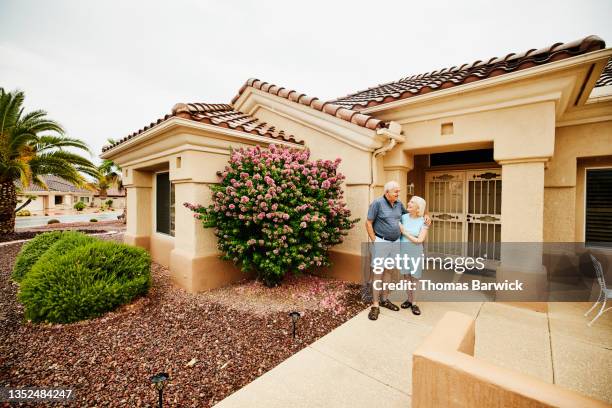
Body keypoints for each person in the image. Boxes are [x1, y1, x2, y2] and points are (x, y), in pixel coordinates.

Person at [365, 181, 431, 321]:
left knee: (388, 271)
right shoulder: (377, 203)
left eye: (398, 192)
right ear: (387, 192)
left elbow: (413, 214)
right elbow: (368, 222)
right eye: (396, 192)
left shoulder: (399, 204)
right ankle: (375, 305)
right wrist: (374, 240)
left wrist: (426, 214)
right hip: (381, 241)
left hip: (394, 243)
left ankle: (385, 299)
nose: (398, 194)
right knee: (378, 273)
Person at [399, 195, 428, 316]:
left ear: (418, 207)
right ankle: (409, 299)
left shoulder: (424, 221)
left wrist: (404, 232)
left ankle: (414, 303)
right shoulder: (403, 217)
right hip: (403, 251)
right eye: (409, 201)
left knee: (415, 278)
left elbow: (419, 240)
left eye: (412, 202)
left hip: (415, 252)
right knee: (406, 277)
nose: (409, 203)